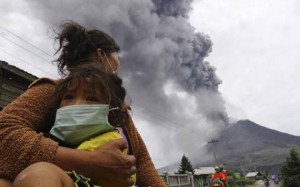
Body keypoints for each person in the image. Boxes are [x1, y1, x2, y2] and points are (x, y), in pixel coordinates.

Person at [0, 21, 166, 187]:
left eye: (92, 98)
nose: (117, 71)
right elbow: (5, 130)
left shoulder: (117, 110)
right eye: (116, 63)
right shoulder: (52, 90)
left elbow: (142, 161)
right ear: (101, 56)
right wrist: (88, 162)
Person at [15, 64, 136, 186]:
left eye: (91, 98)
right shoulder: (50, 140)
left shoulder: (110, 143)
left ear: (113, 111)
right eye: (69, 97)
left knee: (40, 174)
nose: (76, 104)